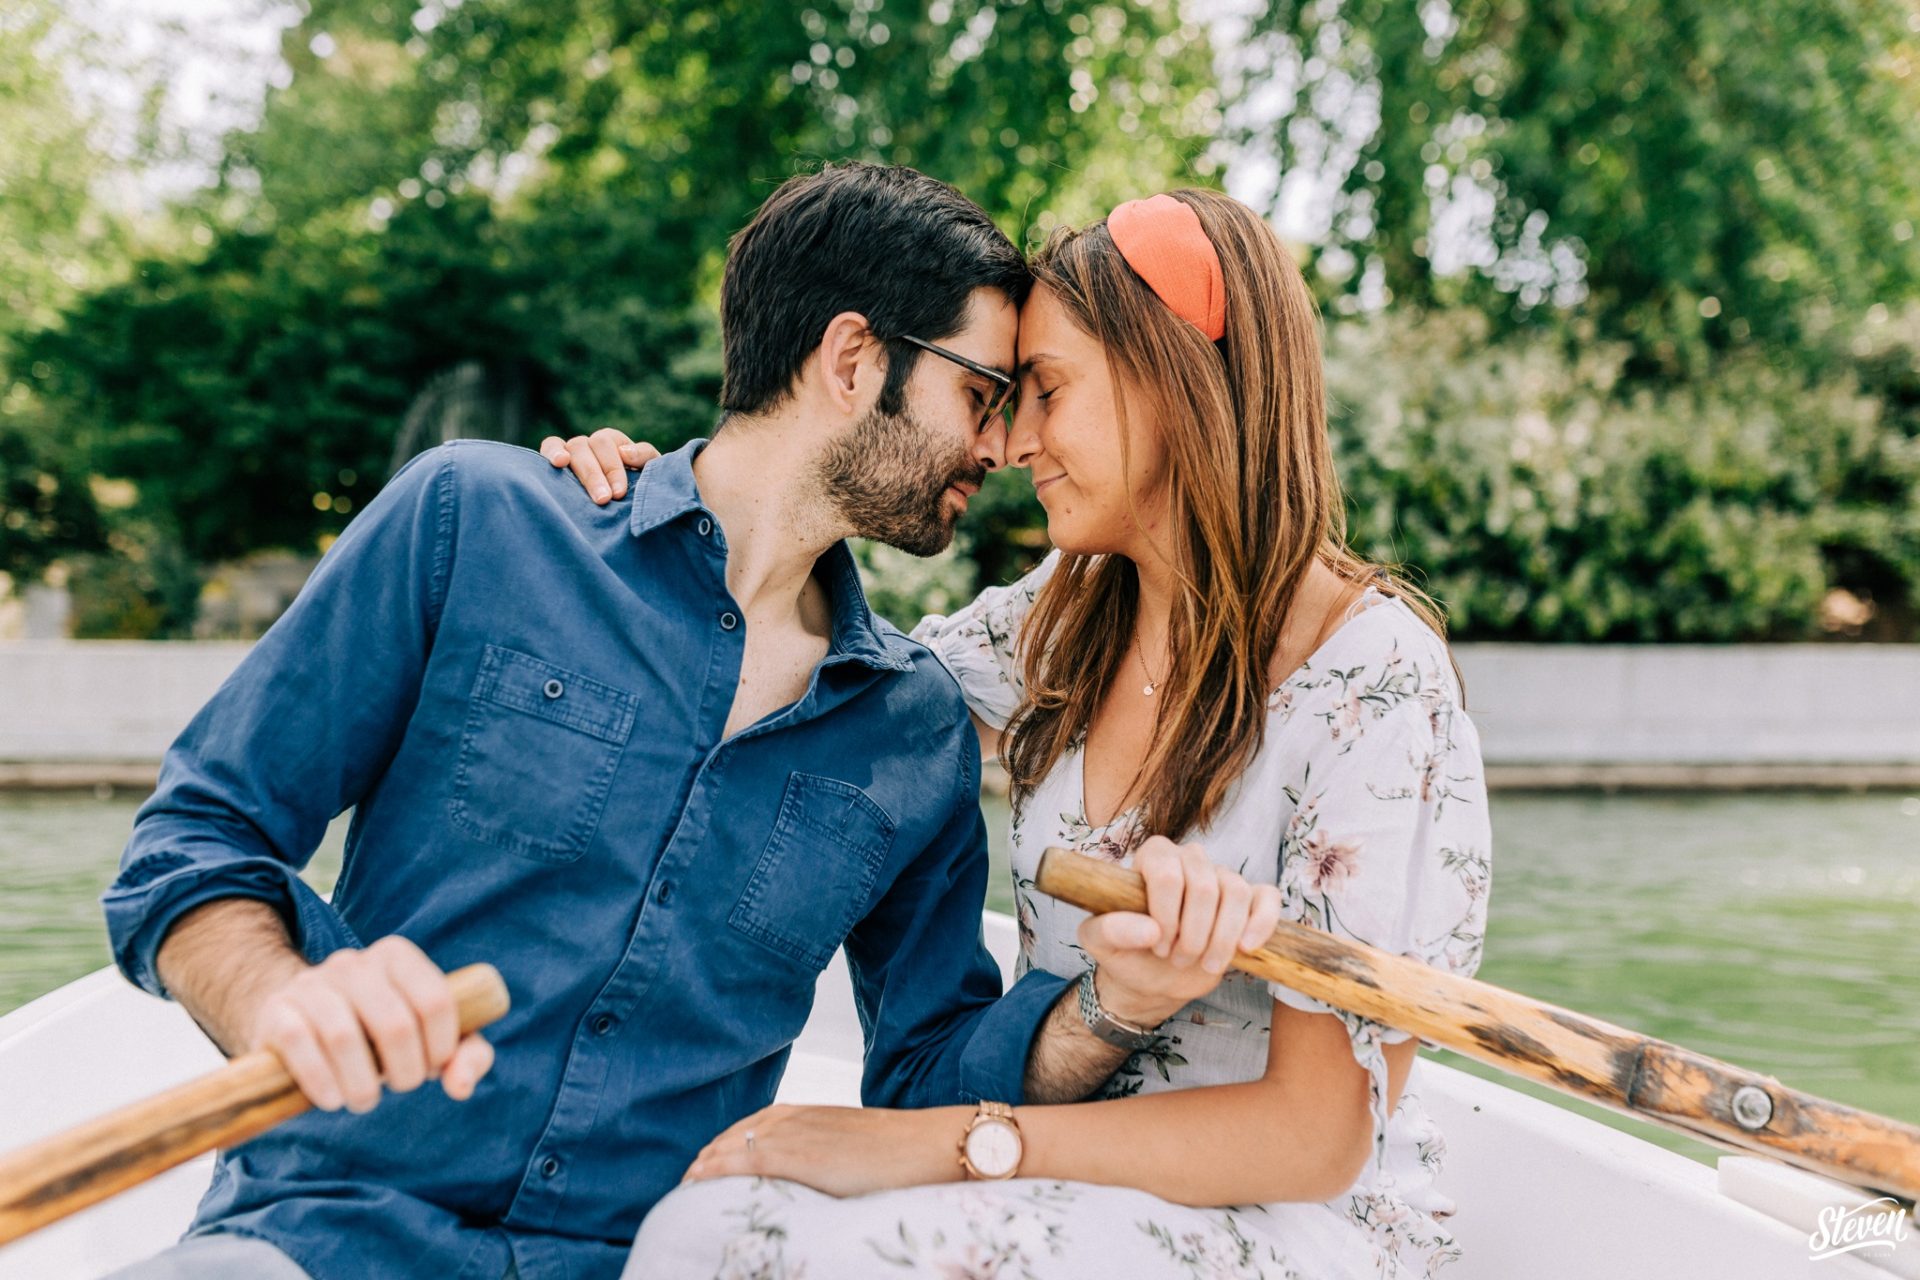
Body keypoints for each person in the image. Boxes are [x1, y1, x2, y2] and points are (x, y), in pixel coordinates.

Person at [96, 163, 1274, 1280]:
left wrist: (1122, 1001)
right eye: (981, 393)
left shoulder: (912, 729)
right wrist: (279, 999)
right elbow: (195, 840)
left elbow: (925, 1081)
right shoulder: (479, 521)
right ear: (854, 358)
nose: (1002, 446)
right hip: (322, 1237)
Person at [543, 189, 1493, 1278]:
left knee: (750, 1241)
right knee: (708, 1221)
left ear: (1176, 384)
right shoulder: (1068, 612)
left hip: (1281, 1218)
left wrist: (939, 1143)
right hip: (1057, 1178)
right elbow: (817, 680)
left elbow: (1314, 1134)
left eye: (1045, 390)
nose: (1010, 441)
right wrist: (653, 518)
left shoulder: (1374, 679)